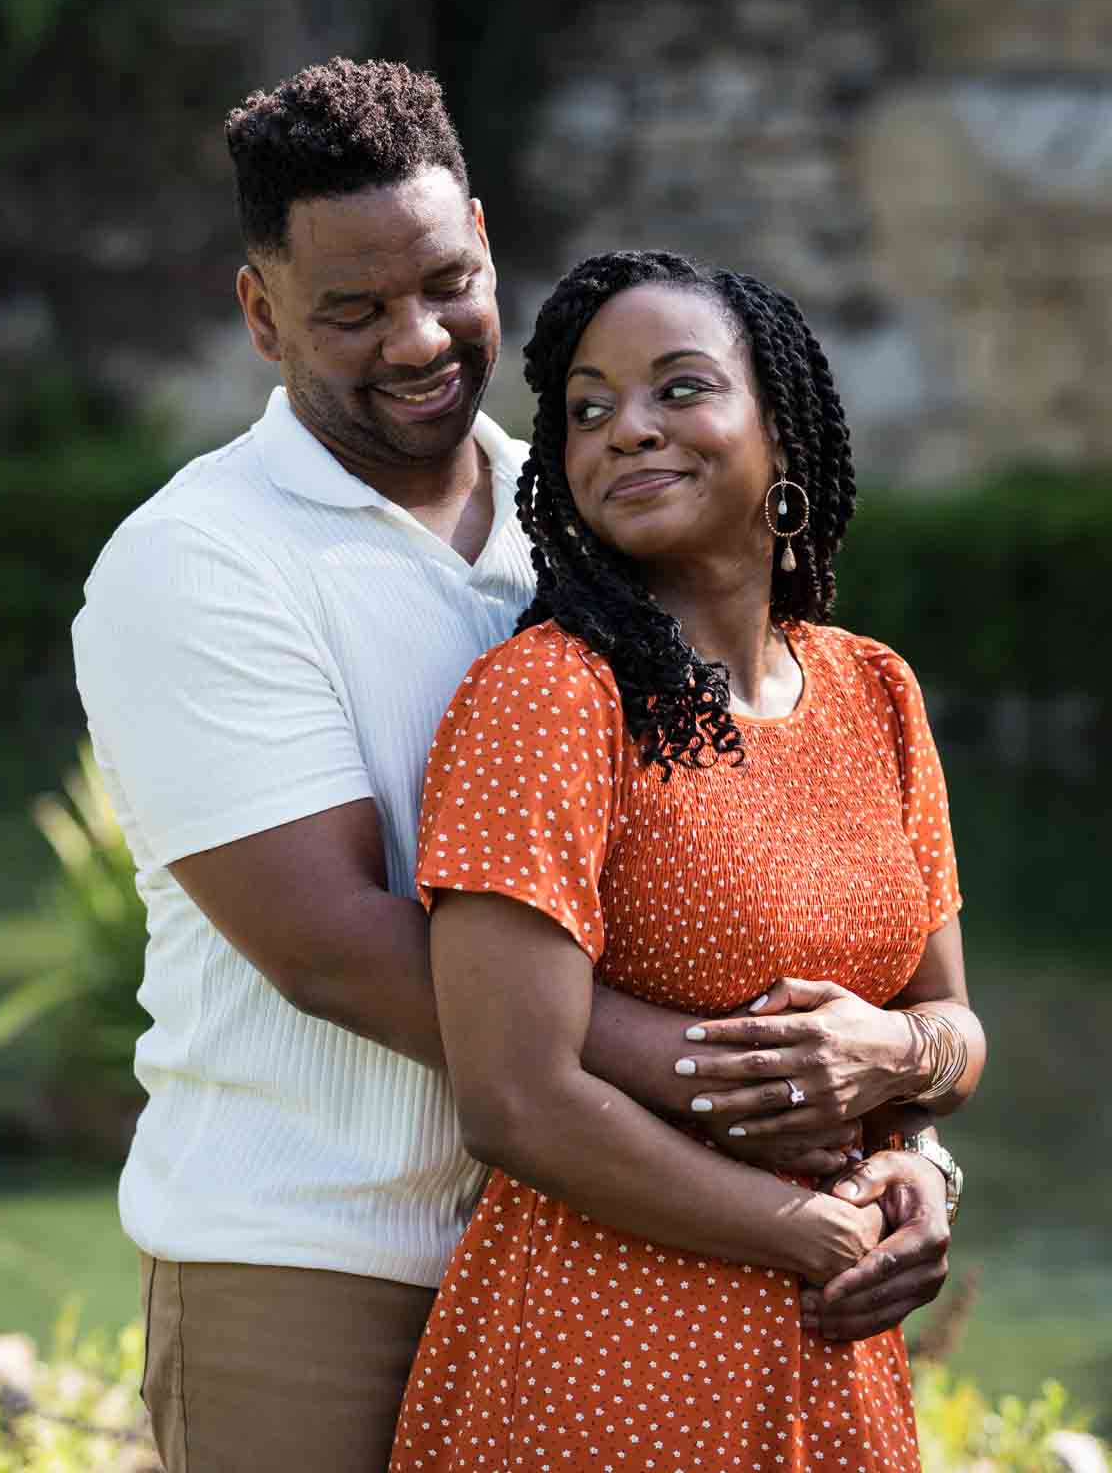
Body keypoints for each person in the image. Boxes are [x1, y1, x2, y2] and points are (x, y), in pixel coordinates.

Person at [73, 62, 958, 1473]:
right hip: (318, 1261)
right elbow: (338, 950)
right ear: (261, 313)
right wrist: (766, 1099)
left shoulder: (588, 536)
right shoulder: (199, 565)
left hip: (608, 1248)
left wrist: (894, 1102)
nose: (418, 339)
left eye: (447, 281)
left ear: (485, 237)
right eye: (351, 312)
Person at [389, 251, 986, 1473]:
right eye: (589, 410)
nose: (629, 431)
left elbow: (952, 1028)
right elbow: (517, 1098)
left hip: (838, 1358)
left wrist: (912, 1131)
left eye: (679, 388)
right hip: (606, 1363)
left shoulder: (875, 693)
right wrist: (811, 1236)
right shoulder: (549, 698)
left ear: (781, 433)